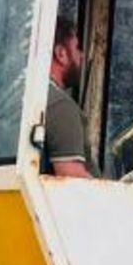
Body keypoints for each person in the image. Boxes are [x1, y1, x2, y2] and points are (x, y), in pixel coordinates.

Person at [43, 14, 93, 178]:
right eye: (77, 47)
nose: (82, 55)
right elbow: (72, 179)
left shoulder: (24, 98)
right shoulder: (60, 106)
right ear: (61, 53)